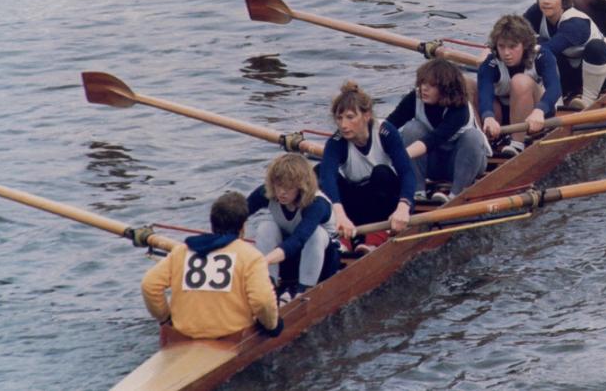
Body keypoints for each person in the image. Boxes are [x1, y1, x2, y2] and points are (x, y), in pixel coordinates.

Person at [141, 191, 282, 339]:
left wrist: (166, 319)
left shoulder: (181, 251)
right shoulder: (251, 257)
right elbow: (263, 301)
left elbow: (149, 285)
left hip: (183, 334)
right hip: (233, 336)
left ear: (212, 224)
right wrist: (272, 326)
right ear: (243, 228)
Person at [317, 81, 418, 255]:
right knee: (318, 172)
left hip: (389, 202)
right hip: (360, 204)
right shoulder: (336, 142)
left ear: (366, 115)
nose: (343, 125)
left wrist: (403, 207)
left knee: (381, 173)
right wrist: (339, 215)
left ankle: (375, 238)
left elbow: (407, 172)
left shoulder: (385, 132)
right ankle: (346, 236)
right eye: (339, 118)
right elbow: (327, 177)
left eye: (350, 117)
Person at [385, 58, 491, 203]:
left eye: (431, 85)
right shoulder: (415, 98)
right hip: (434, 163)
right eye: (422, 82)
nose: (424, 88)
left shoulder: (459, 109)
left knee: (473, 137)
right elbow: (390, 125)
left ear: (446, 89)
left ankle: (456, 195)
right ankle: (418, 192)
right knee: (411, 128)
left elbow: (432, 140)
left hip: (465, 163)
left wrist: (399, 157)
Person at [522, 0, 606, 110]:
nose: (546, 1)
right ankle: (555, 97)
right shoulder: (538, 11)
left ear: (564, 0)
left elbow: (551, 48)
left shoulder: (576, 22)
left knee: (595, 47)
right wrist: (492, 48)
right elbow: (515, 30)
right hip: (572, 70)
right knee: (538, 41)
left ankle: (588, 100)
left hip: (602, 69)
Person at [247, 153, 335, 302]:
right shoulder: (268, 192)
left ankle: (304, 290)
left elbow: (299, 239)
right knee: (265, 227)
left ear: (301, 187)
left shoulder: (317, 204)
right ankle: (269, 285)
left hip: (323, 261)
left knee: (316, 234)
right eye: (279, 185)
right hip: (289, 256)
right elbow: (238, 214)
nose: (281, 192)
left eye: (288, 187)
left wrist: (263, 261)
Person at [477, 14, 562, 156]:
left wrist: (539, 111)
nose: (506, 53)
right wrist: (488, 117)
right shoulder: (491, 63)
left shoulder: (542, 56)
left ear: (525, 45)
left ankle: (517, 144)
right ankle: (482, 140)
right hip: (504, 115)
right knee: (467, 85)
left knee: (519, 81)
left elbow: (555, 88)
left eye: (512, 47)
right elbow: (484, 92)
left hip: (539, 112)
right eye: (501, 46)